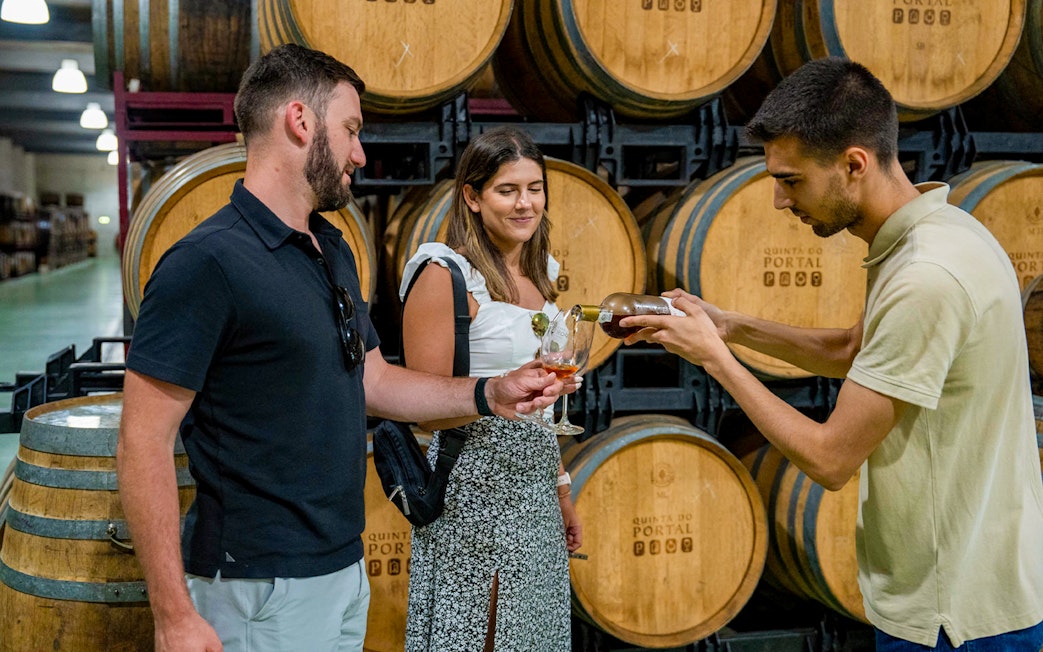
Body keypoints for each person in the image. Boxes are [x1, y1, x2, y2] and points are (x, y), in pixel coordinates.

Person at [115, 45, 563, 652]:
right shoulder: (207, 262)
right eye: (350, 129)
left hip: (342, 569)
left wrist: (490, 393)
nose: (359, 152)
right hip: (259, 584)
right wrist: (172, 613)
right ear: (300, 121)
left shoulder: (331, 249)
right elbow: (142, 439)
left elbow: (374, 380)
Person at [622, 58, 1043, 651]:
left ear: (853, 165)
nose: (776, 200)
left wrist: (716, 358)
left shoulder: (927, 276)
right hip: (967, 590)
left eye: (791, 180)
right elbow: (854, 348)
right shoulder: (942, 233)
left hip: (955, 613)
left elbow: (830, 458)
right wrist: (730, 324)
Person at [399, 125, 582, 651]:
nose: (526, 204)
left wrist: (561, 487)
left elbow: (542, 406)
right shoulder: (444, 271)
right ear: (472, 198)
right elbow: (426, 409)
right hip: (474, 487)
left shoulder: (540, 272)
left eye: (535, 187)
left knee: (533, 637)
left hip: (535, 490)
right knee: (482, 635)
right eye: (508, 190)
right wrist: (497, 392)